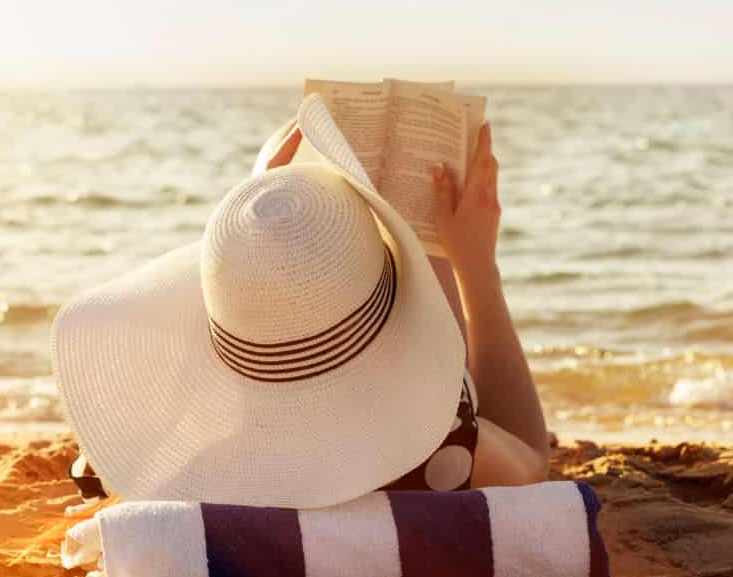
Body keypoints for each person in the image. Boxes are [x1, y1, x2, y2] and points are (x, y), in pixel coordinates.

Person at [52, 93, 548, 508]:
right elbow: (531, 462)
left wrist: (258, 215)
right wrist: (476, 265)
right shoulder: (444, 445)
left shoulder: (183, 464)